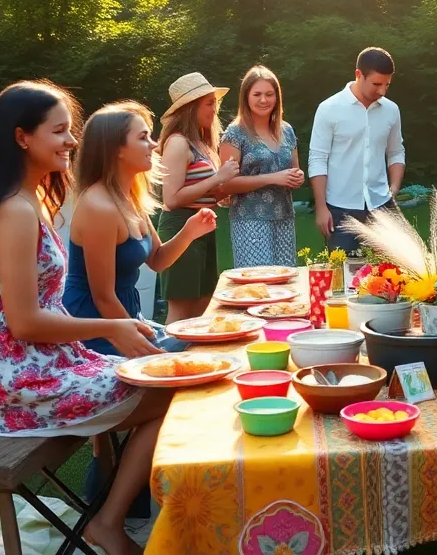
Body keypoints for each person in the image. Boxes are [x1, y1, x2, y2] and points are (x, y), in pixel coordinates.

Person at [0, 81, 182, 555]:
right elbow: (26, 322)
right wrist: (111, 327)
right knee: (168, 388)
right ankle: (109, 522)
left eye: (70, 131)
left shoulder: (27, 199)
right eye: (59, 132)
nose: (72, 142)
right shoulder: (14, 209)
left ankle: (114, 510)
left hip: (37, 362)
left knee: (171, 378)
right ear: (21, 138)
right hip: (12, 378)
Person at [66, 101, 218, 350]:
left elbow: (157, 260)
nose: (155, 144)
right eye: (143, 137)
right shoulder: (98, 207)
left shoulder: (128, 197)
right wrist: (145, 346)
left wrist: (190, 231)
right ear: (117, 149)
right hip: (97, 327)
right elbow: (102, 297)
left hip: (127, 319)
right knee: (192, 357)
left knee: (207, 341)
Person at [156, 73, 238, 323]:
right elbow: (171, 199)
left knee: (203, 307)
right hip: (181, 227)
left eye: (215, 103)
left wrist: (220, 195)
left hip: (203, 227)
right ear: (190, 108)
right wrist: (216, 179)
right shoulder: (178, 143)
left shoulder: (201, 143)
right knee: (182, 310)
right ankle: (172, 359)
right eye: (208, 103)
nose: (214, 109)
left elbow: (200, 188)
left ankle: (198, 361)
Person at [308, 47, 405, 255]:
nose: (382, 91)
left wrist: (393, 190)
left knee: (389, 275)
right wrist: (321, 208)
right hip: (339, 208)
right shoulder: (329, 109)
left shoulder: (391, 110)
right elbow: (317, 159)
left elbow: (396, 152)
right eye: (376, 84)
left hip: (381, 205)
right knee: (343, 276)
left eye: (387, 84)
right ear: (358, 75)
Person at [218, 66, 303, 268]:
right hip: (250, 220)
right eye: (257, 94)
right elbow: (224, 185)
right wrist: (273, 178)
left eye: (269, 94)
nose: (263, 100)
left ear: (277, 97)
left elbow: (294, 171)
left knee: (285, 282)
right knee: (258, 283)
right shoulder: (235, 132)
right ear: (246, 97)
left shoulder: (286, 130)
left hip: (284, 217)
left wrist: (297, 177)